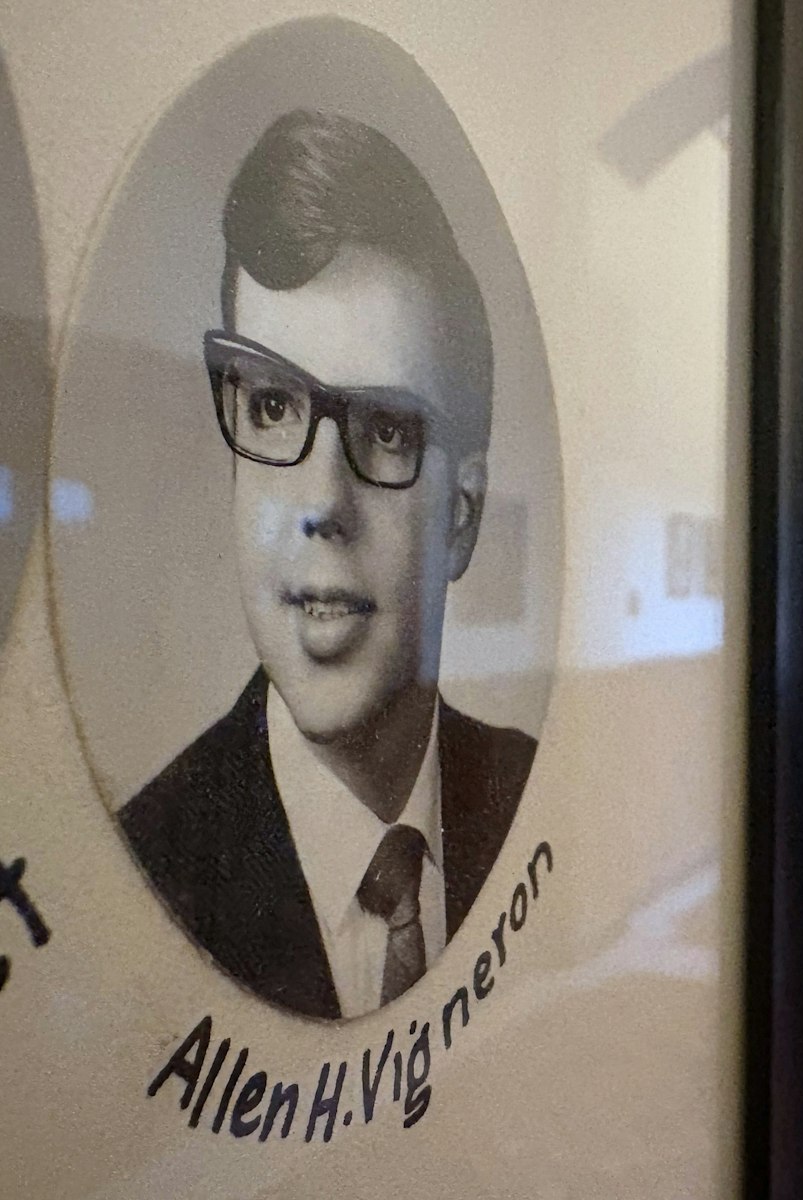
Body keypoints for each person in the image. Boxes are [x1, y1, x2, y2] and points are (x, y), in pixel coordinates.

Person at [119, 110, 536, 1021]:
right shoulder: (144, 873)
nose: (322, 503)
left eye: (385, 430)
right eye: (272, 405)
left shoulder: (534, 804)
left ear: (460, 519)